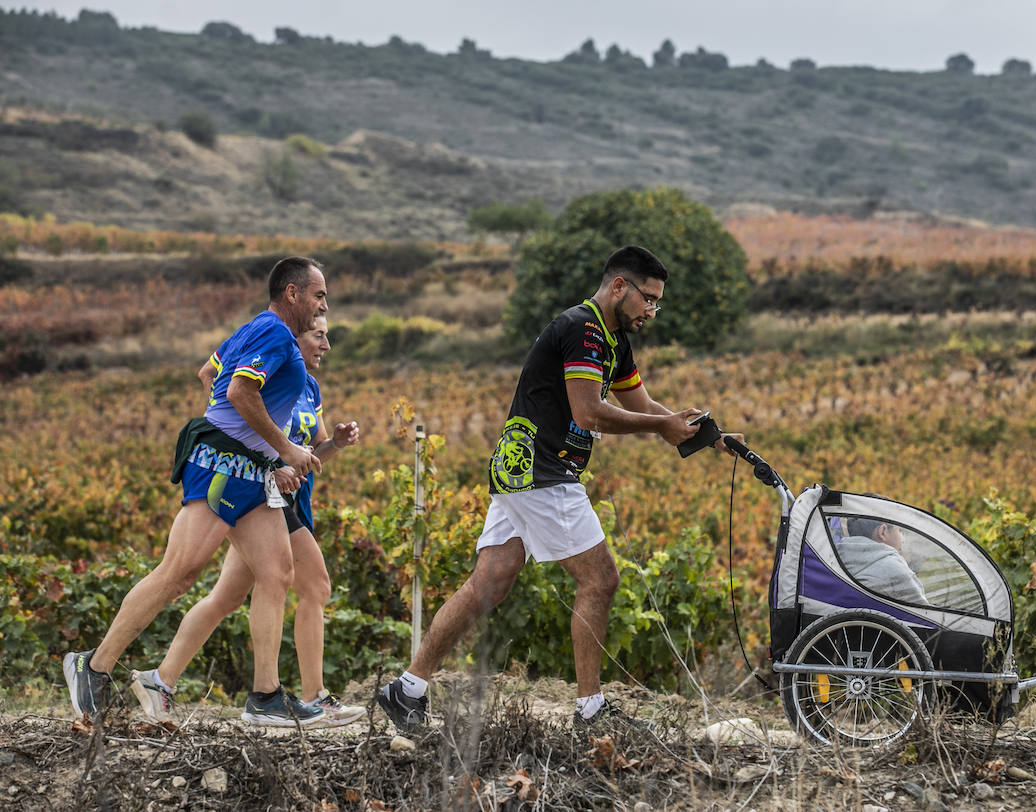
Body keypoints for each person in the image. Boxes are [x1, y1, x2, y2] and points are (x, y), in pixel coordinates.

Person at [377, 245, 738, 731]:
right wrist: (661, 428)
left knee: (488, 585)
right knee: (601, 580)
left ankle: (406, 690)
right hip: (542, 470)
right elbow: (590, 412)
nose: (652, 311)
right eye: (648, 299)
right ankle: (590, 710)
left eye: (657, 302)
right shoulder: (584, 329)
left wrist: (702, 433)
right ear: (618, 287)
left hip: (520, 468)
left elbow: (643, 402)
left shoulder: (615, 341)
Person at [63, 256, 328, 726]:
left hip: (251, 470)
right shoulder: (274, 334)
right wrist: (284, 448)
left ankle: (265, 696)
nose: (323, 305)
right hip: (222, 468)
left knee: (276, 574)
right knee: (178, 574)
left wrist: (259, 449)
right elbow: (238, 393)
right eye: (319, 296)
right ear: (293, 294)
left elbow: (209, 377)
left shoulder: (250, 330)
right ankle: (93, 665)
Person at [129, 315, 365, 727]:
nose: (326, 345)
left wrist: (335, 445)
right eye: (320, 335)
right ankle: (306, 695)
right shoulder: (270, 362)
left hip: (286, 495)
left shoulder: (308, 386)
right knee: (313, 583)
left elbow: (309, 456)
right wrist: (247, 451)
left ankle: (160, 680)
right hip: (262, 491)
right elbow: (217, 380)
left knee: (226, 598)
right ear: (296, 335)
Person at [836, 518, 930, 606]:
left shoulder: (835, 558)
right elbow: (925, 614)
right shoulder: (894, 568)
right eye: (900, 531)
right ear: (883, 532)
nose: (903, 539)